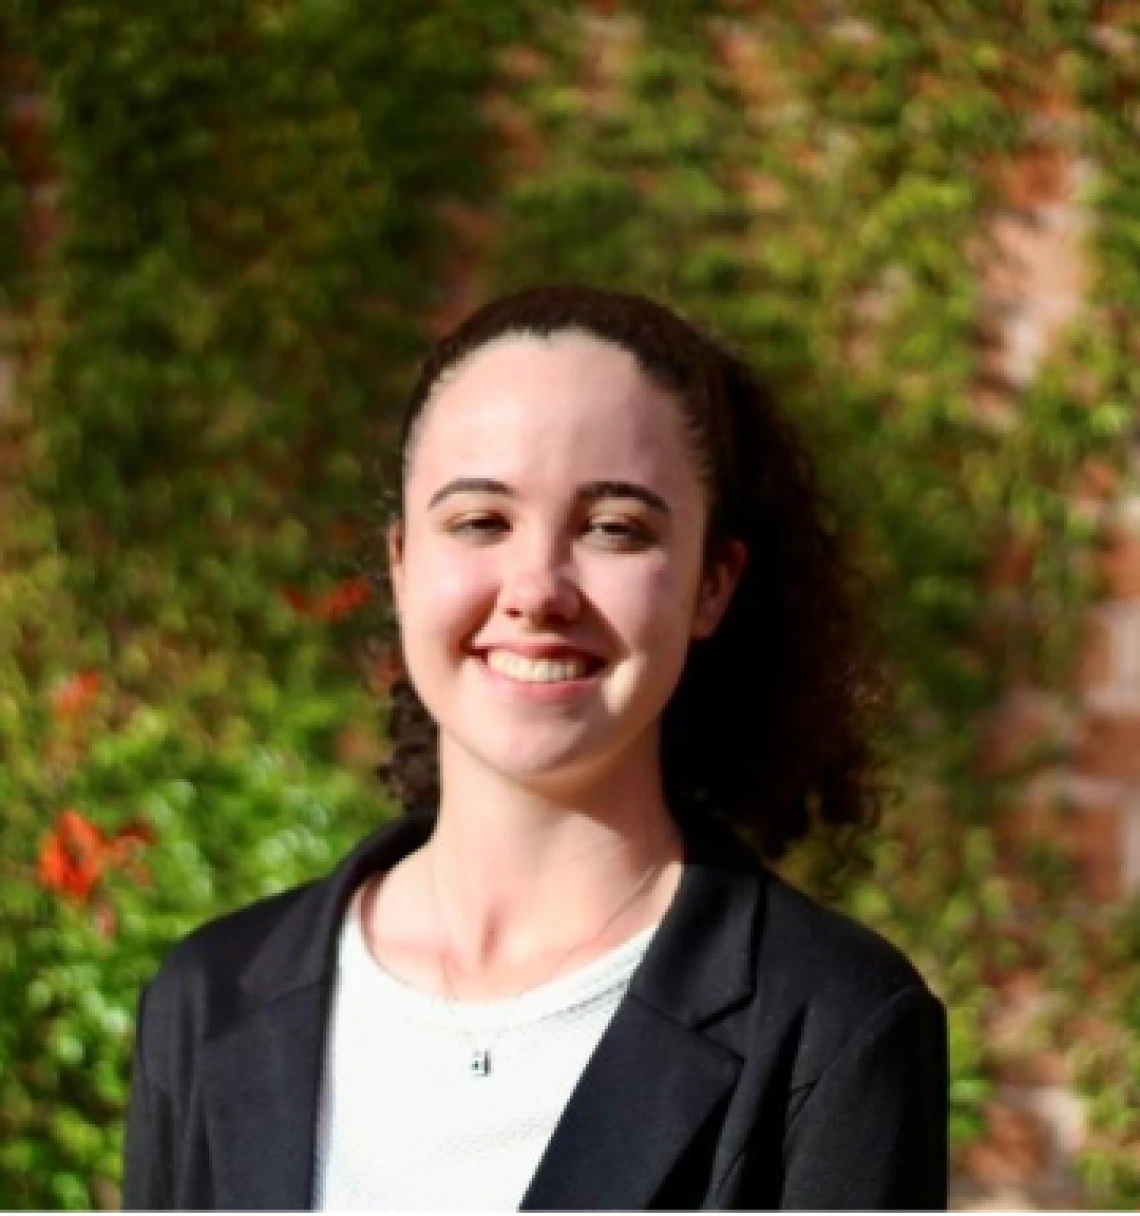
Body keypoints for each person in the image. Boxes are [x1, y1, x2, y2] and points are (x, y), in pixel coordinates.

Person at [121, 284, 948, 1216]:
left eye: (614, 529)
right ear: (401, 563)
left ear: (713, 584)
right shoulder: (207, 999)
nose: (538, 589)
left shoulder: (833, 1027)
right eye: (480, 520)